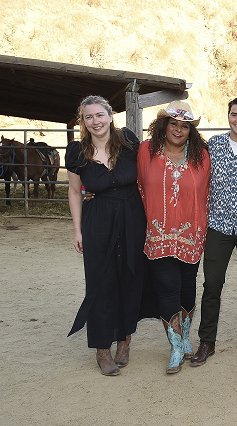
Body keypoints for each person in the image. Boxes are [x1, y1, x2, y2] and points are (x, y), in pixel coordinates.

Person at [65, 95, 148, 376]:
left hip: (133, 217)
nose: (95, 121)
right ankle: (102, 348)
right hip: (98, 220)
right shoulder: (77, 152)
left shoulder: (128, 142)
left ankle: (124, 341)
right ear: (83, 122)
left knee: (131, 277)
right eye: (89, 117)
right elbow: (75, 191)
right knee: (100, 282)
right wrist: (77, 230)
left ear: (110, 116)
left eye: (100, 115)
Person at [137, 100, 211, 374]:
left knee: (188, 288)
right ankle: (176, 346)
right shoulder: (147, 151)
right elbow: (140, 187)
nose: (178, 130)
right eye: (174, 123)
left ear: (190, 129)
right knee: (166, 287)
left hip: (192, 235)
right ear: (164, 125)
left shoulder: (201, 155)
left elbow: (205, 194)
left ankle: (186, 338)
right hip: (159, 234)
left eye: (184, 125)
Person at [191, 97, 237, 367]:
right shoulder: (213, 146)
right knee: (212, 284)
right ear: (228, 115)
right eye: (234, 114)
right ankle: (207, 341)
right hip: (217, 225)